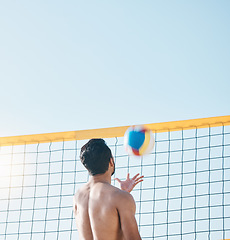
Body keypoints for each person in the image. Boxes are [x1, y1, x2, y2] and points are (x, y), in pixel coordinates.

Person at [73, 138, 143, 240]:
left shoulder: (78, 197)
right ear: (111, 161)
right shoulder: (120, 198)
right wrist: (122, 196)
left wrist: (122, 194)